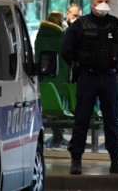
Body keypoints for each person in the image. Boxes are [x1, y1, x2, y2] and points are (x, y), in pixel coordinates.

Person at [61, 0, 118, 175]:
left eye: (106, 0)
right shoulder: (79, 25)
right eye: (100, 0)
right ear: (92, 3)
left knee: (111, 120)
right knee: (82, 118)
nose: (103, 4)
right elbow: (66, 50)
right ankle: (76, 160)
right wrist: (78, 66)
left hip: (109, 77)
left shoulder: (117, 25)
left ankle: (116, 160)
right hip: (88, 77)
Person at [35, 11, 71, 148]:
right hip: (59, 77)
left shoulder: (40, 36)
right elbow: (66, 60)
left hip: (43, 78)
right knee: (59, 107)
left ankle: (55, 135)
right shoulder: (60, 37)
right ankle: (58, 136)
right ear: (58, 22)